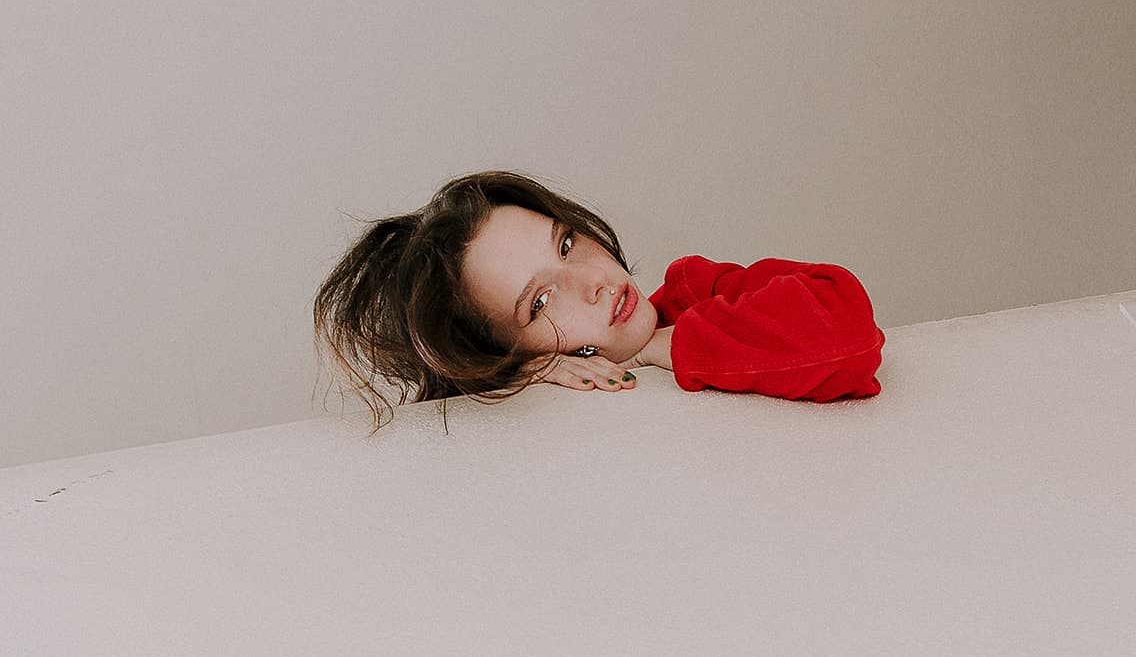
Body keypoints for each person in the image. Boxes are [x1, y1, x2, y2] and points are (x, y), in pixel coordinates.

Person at [312, 169, 886, 435]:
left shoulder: (697, 291)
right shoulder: (537, 390)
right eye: (540, 303)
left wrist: (664, 344)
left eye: (565, 242)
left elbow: (849, 332)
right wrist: (522, 376)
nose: (591, 281)